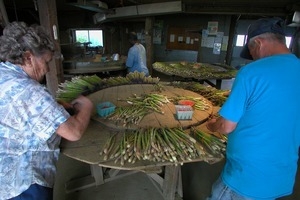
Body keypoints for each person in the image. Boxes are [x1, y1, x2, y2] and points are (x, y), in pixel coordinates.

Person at [206, 17, 300, 200]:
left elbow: (226, 126)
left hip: (245, 176)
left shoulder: (251, 72)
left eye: (251, 51)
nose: (254, 58)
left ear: (257, 43)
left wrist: (212, 125)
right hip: (282, 174)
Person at [0, 21, 93, 199]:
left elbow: (18, 111)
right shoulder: (29, 90)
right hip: (24, 182)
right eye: (46, 61)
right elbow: (73, 132)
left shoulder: (4, 74)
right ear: (28, 58)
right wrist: (87, 107)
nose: (48, 69)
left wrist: (54, 106)